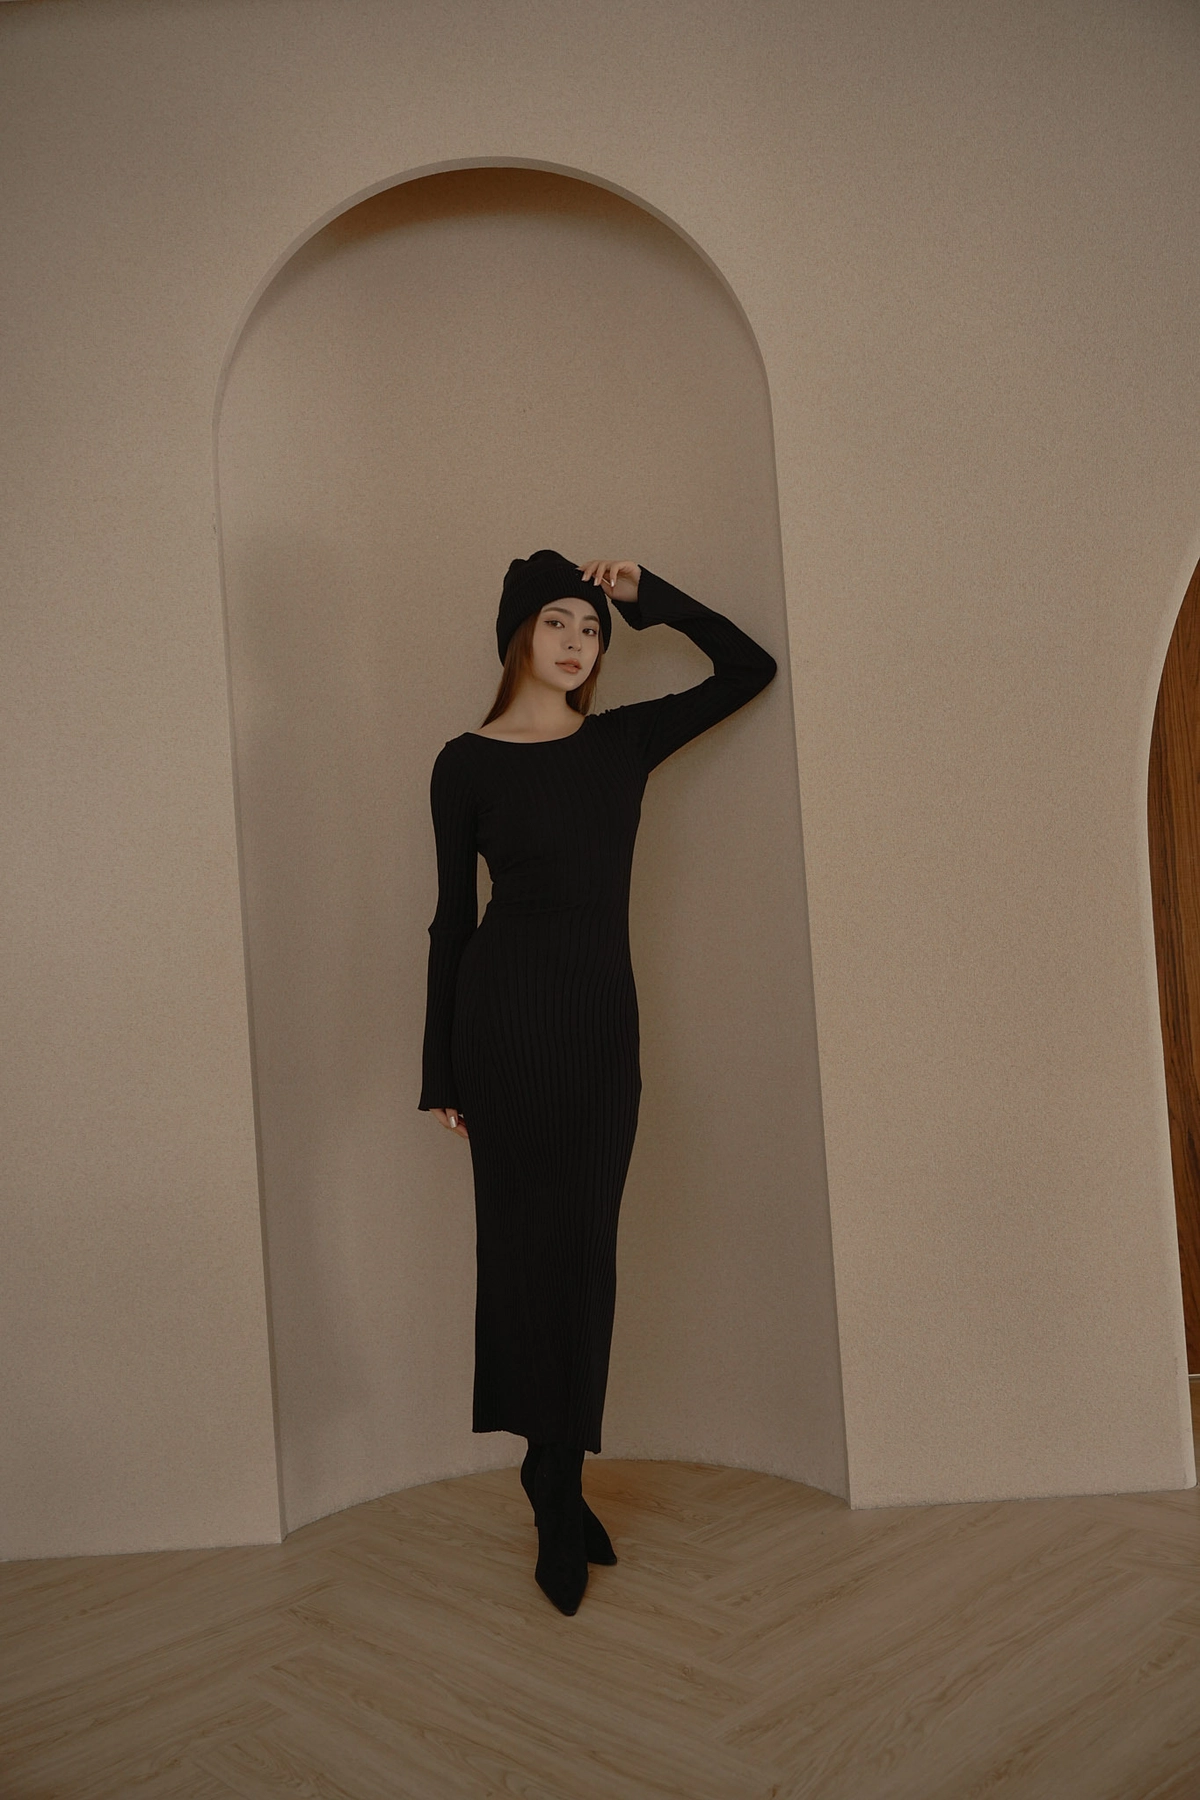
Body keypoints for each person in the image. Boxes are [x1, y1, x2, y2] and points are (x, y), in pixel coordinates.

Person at [418, 549, 777, 1614]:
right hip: (502, 1030)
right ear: (518, 635)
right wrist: (440, 1067)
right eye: (558, 622)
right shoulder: (463, 763)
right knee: (521, 1255)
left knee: (583, 1257)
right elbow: (452, 921)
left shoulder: (621, 742)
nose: (578, 642)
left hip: (599, 1030)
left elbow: (748, 668)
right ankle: (557, 1496)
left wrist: (647, 595)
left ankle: (552, 1471)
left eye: (591, 629)